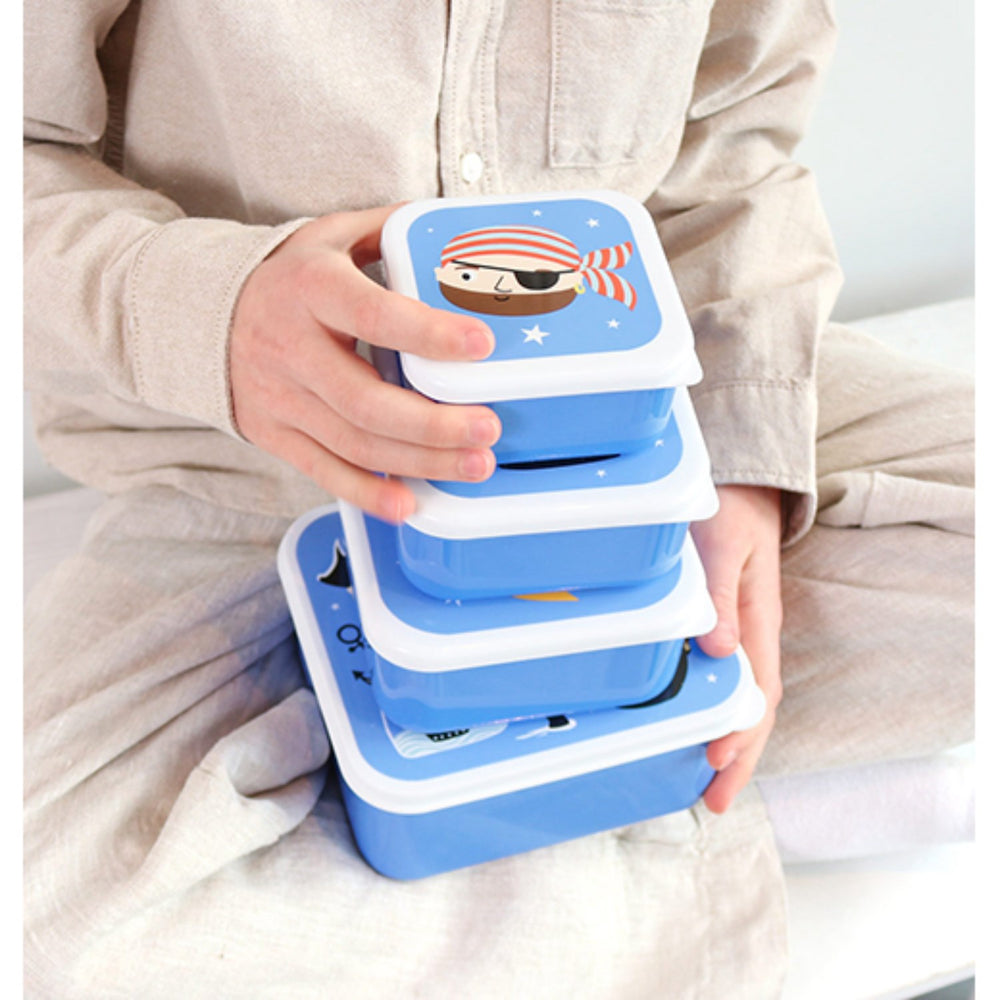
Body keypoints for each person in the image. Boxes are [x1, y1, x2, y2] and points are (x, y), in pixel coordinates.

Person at [23, 2, 973, 997]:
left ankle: (535, 798)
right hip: (243, 470)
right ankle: (661, 800)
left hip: (645, 422)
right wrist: (211, 315)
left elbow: (736, 129)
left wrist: (736, 461)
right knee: (41, 922)